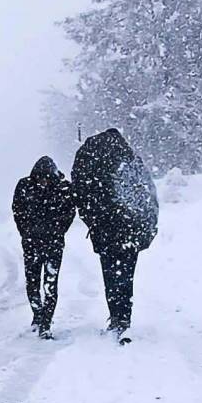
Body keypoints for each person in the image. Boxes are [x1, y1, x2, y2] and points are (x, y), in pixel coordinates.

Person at [71, 128, 158, 343]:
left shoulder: (93, 162)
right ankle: (124, 319)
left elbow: (82, 195)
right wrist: (145, 229)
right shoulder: (130, 161)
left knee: (111, 276)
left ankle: (116, 317)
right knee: (126, 277)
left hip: (107, 233)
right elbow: (148, 197)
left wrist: (93, 221)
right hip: (131, 232)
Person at [12, 156, 76, 339]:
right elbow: (17, 211)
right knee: (32, 283)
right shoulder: (25, 186)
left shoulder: (63, 189)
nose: (43, 182)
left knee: (50, 284)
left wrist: (57, 231)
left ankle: (46, 322)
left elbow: (70, 213)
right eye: (40, 178)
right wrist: (26, 232)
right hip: (32, 243)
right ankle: (37, 314)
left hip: (52, 244)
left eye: (46, 178)